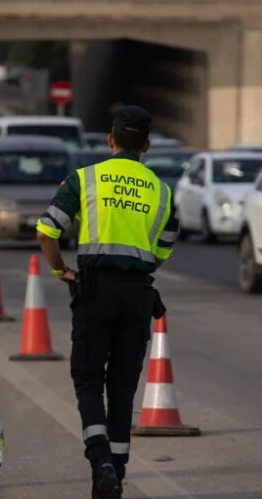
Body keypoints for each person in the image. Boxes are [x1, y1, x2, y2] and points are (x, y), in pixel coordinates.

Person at [36, 106, 179, 499]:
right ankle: (115, 474)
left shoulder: (85, 179)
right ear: (146, 146)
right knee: (121, 389)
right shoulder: (162, 190)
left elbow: (46, 231)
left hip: (94, 290)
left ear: (110, 140)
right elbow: (164, 250)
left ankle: (99, 461)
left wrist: (60, 271)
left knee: (87, 379)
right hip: (137, 295)